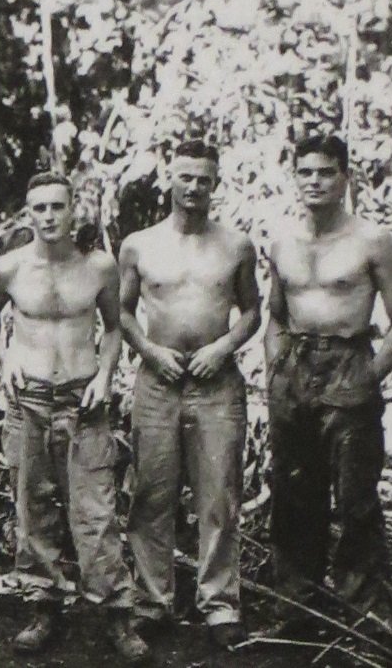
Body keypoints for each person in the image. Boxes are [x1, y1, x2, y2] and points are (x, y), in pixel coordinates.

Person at [0, 173, 148, 663]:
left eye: (57, 207)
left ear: (74, 210)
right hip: (28, 400)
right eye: (39, 208)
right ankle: (43, 606)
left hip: (84, 402)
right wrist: (6, 357)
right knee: (34, 509)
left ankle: (117, 614)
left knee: (95, 510)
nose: (48, 217)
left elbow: (114, 328)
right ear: (27, 214)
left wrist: (105, 375)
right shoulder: (6, 270)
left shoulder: (99, 268)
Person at [265, 134, 392, 622]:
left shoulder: (371, 240)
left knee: (355, 497)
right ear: (295, 178)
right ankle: (297, 602)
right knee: (292, 493)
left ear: (345, 178)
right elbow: (276, 316)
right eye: (305, 172)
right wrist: (274, 369)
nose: (315, 181)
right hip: (295, 368)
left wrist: (367, 377)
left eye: (325, 172)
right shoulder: (282, 240)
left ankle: (365, 607)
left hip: (348, 361)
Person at [118, 140, 260, 650]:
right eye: (185, 177)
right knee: (151, 495)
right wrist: (150, 352)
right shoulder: (139, 244)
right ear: (169, 179)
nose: (194, 187)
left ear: (216, 181)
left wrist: (222, 349)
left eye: (204, 178)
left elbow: (251, 312)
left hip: (215, 384)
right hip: (157, 382)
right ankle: (153, 601)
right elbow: (123, 311)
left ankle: (220, 604)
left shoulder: (237, 245)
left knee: (218, 494)